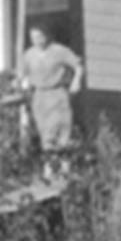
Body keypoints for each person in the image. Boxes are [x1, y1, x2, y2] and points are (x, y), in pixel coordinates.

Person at [20, 24, 83, 177]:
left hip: (57, 93)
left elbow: (78, 65)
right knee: (45, 132)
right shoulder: (29, 55)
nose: (38, 41)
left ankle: (64, 168)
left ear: (47, 35)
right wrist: (24, 82)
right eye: (34, 38)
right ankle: (49, 168)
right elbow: (22, 74)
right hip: (40, 96)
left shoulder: (59, 51)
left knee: (61, 129)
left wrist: (76, 81)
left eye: (40, 37)